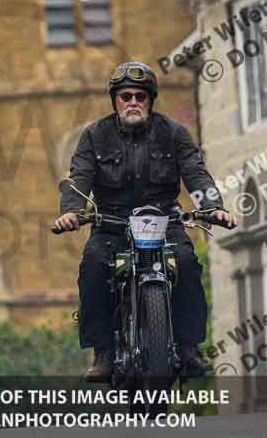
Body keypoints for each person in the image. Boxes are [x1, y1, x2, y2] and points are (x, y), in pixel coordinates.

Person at [54, 61, 237, 382]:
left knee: (187, 263)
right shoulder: (94, 136)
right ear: (115, 100)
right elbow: (79, 176)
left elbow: (196, 173)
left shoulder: (174, 133)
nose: (133, 102)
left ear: (150, 100)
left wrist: (213, 206)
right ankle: (104, 353)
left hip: (164, 223)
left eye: (140, 96)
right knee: (93, 264)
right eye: (126, 96)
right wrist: (71, 210)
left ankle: (190, 349)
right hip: (111, 225)